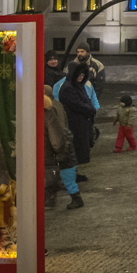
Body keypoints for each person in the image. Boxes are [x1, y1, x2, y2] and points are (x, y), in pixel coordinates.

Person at [58, 63, 98, 203]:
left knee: (77, 151)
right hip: (73, 125)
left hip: (80, 124)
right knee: (73, 150)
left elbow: (86, 101)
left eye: (83, 75)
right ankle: (70, 180)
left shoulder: (76, 86)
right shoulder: (68, 88)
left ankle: (73, 175)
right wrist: (91, 110)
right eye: (79, 75)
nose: (81, 77)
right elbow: (79, 104)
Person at [43, 84, 75, 207]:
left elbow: (53, 130)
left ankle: (54, 196)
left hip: (53, 143)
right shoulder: (58, 104)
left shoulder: (48, 109)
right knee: (63, 171)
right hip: (64, 137)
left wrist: (57, 147)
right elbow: (65, 121)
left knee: (53, 172)